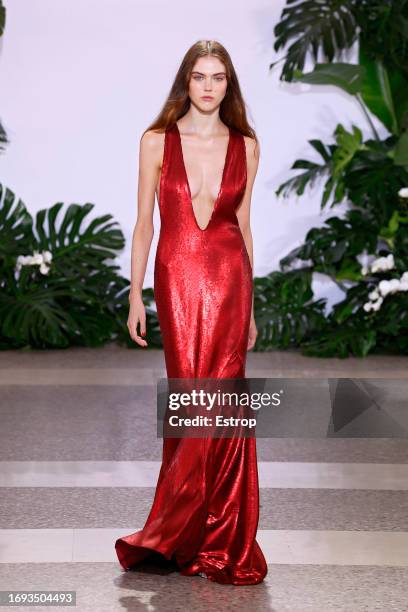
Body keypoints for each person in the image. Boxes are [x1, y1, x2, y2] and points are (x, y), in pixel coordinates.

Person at [115, 39, 267, 586]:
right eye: (199, 77)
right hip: (176, 277)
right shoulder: (156, 141)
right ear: (186, 82)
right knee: (191, 398)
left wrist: (251, 305)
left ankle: (223, 537)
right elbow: (144, 224)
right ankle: (179, 530)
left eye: (218, 78)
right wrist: (135, 292)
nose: (208, 87)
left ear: (229, 85)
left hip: (229, 279)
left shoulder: (246, 145)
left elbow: (245, 228)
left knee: (223, 402)